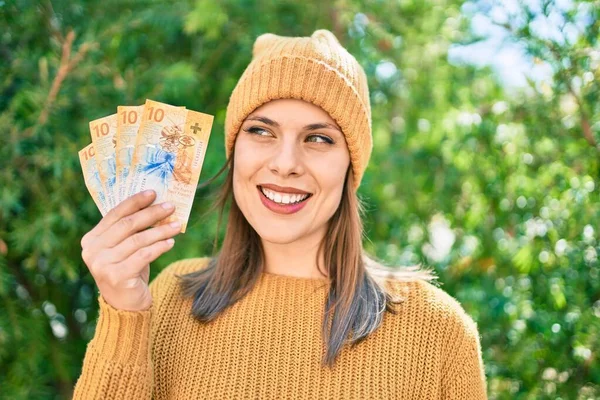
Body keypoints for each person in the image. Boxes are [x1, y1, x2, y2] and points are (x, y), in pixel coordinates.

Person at [73, 29, 487, 399]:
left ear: (351, 167)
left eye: (319, 138)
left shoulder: (439, 333)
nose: (285, 162)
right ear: (235, 152)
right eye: (261, 131)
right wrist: (124, 314)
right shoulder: (167, 301)